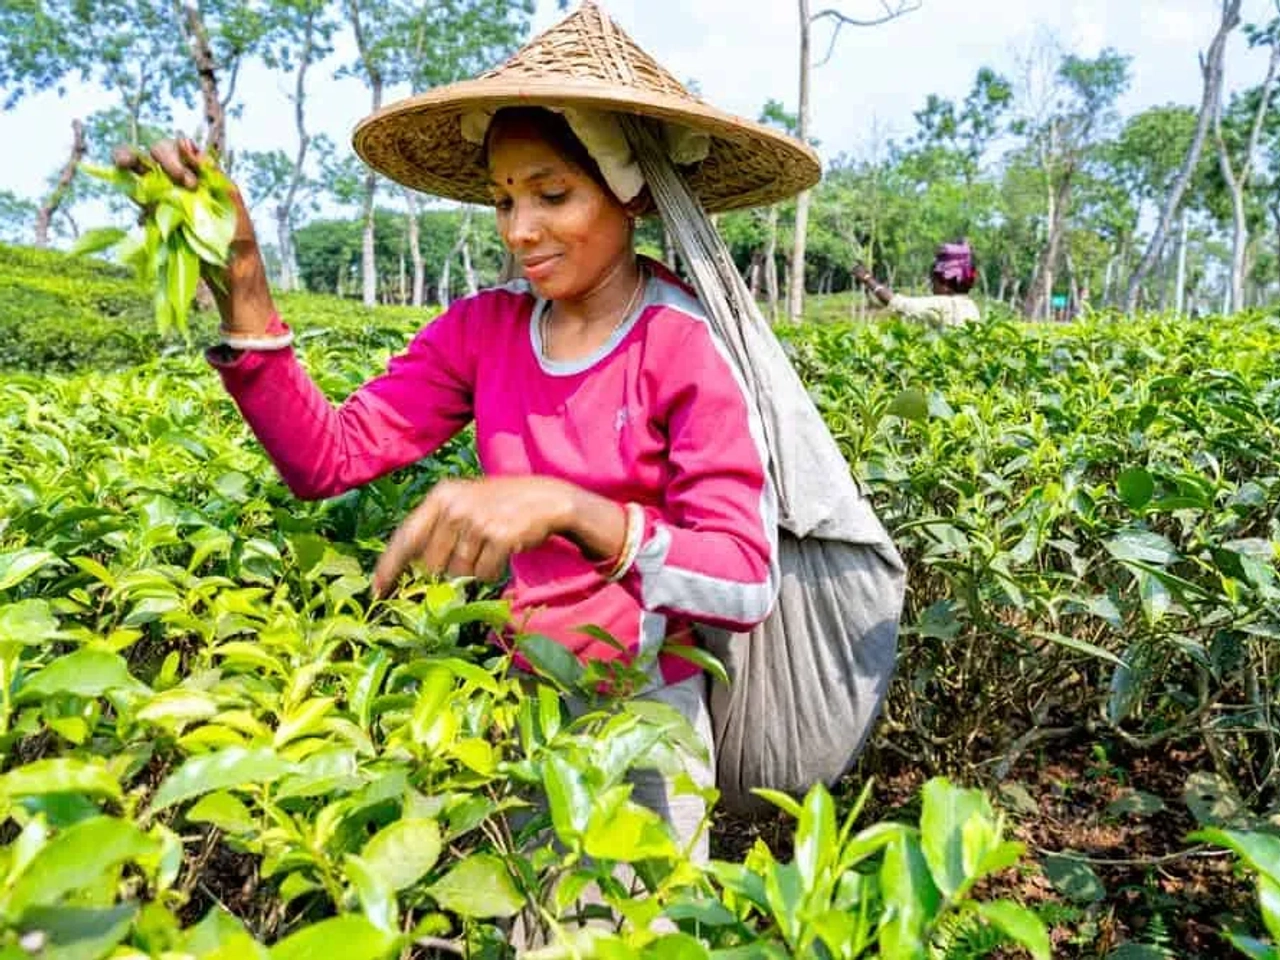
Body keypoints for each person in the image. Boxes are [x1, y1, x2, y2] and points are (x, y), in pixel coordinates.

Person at [112, 3, 821, 876]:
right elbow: (327, 457)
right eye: (504, 199)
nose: (520, 230)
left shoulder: (679, 345)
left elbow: (745, 578)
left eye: (552, 194)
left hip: (645, 723)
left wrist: (572, 509)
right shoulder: (484, 332)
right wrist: (245, 281)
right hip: (513, 711)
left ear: (629, 189)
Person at [852, 239, 981, 326]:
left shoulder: (944, 303)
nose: (932, 287)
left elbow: (897, 303)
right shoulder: (971, 306)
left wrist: (867, 278)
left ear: (946, 284)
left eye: (934, 282)